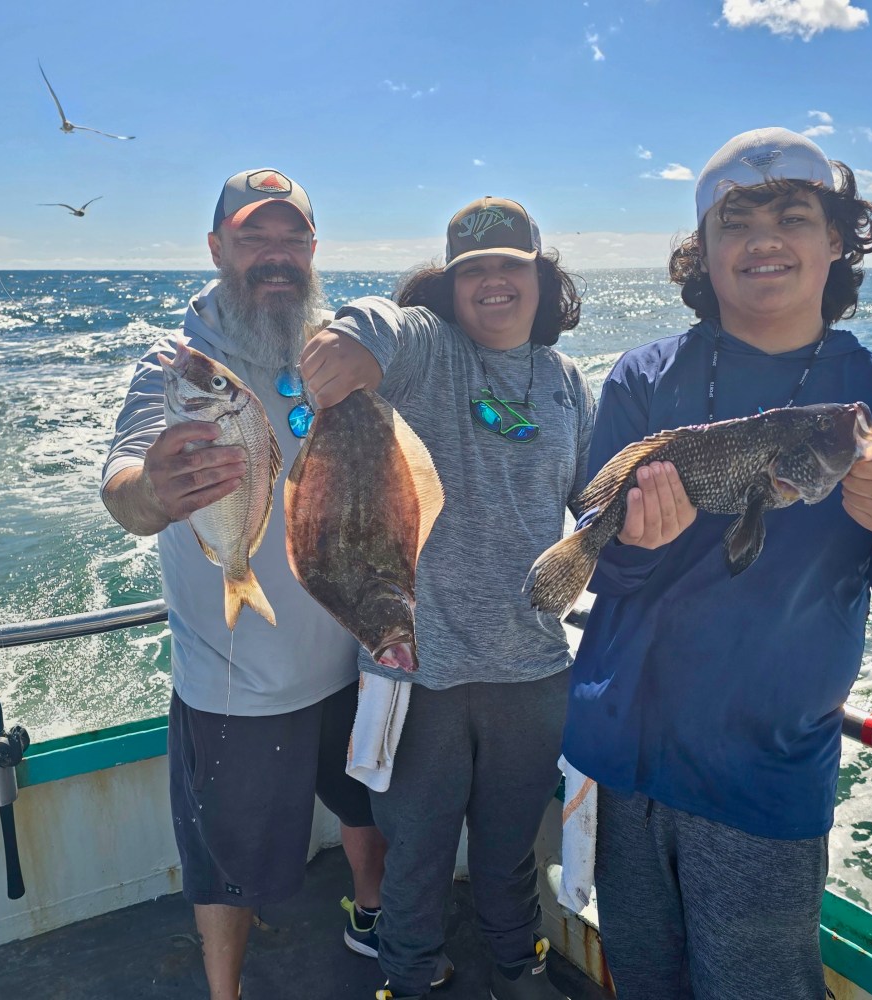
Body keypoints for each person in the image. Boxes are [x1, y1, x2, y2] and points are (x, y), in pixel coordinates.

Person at [560, 128, 872, 1000]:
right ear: (702, 254)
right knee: (642, 977)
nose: (764, 239)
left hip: (763, 771)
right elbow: (602, 566)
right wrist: (629, 545)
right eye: (734, 221)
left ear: (838, 241)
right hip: (621, 753)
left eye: (793, 216)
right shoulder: (643, 377)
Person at [101, 168, 388, 1000]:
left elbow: (413, 331)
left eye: (290, 236)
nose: (275, 255)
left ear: (313, 250)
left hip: (351, 653)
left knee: (364, 806)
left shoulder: (329, 341)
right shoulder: (179, 365)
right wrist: (152, 491)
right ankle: (224, 990)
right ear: (217, 246)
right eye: (253, 236)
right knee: (227, 863)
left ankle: (370, 916)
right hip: (239, 680)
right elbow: (123, 481)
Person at [299, 196, 595, 1000]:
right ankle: (409, 974)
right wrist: (349, 341)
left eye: (511, 265)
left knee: (508, 854)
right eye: (474, 271)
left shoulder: (570, 384)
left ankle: (516, 967)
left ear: (541, 276)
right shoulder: (431, 351)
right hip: (411, 668)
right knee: (415, 853)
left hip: (531, 671)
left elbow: (592, 500)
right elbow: (382, 323)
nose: (494, 282)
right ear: (452, 284)